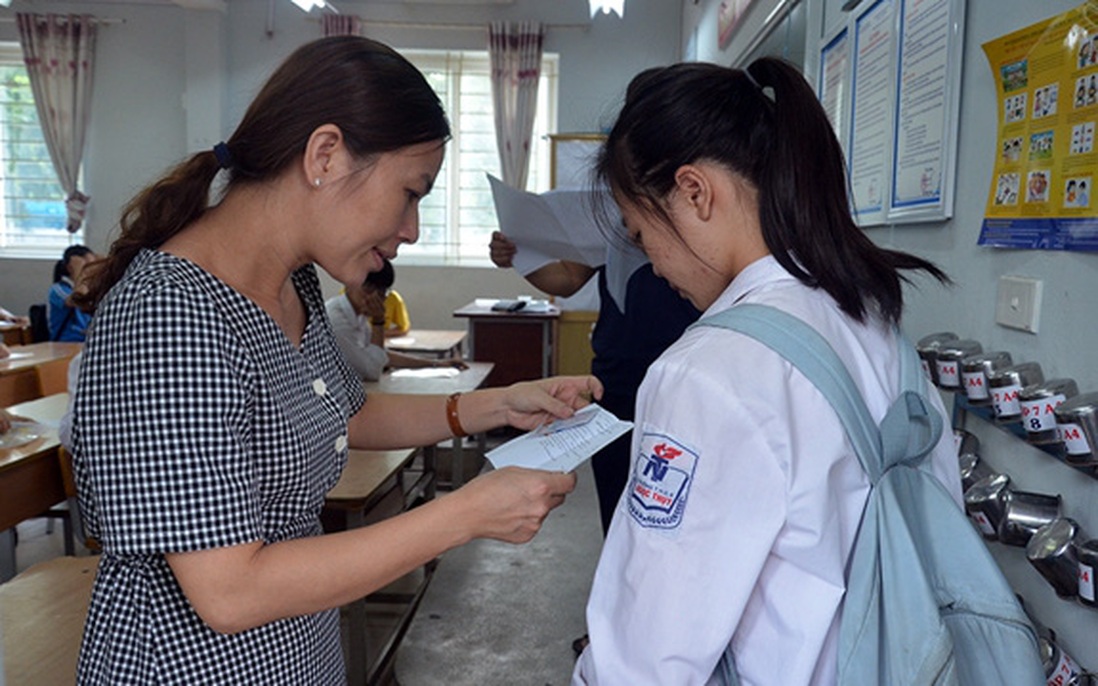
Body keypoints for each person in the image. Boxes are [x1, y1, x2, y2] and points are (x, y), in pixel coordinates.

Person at [67, 36, 601, 685]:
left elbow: (340, 414)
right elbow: (229, 592)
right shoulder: (170, 317)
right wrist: (463, 513)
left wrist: (493, 406)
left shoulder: (292, 287)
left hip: (295, 656)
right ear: (324, 155)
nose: (412, 229)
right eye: (410, 192)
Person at [572, 58, 960, 684]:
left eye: (642, 234)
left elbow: (648, 652)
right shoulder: (873, 323)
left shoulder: (706, 371)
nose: (655, 265)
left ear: (695, 192)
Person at [326, 259, 467, 381]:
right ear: (350, 285)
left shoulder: (358, 316)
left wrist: (436, 364)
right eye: (368, 289)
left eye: (381, 293)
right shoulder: (337, 321)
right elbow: (372, 371)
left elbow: (382, 356)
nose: (373, 299)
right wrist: (378, 322)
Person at [47, 244, 97, 342]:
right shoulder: (58, 289)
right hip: (66, 343)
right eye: (87, 266)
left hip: (86, 342)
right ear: (70, 268)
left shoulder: (90, 288)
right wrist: (79, 272)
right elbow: (79, 299)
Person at [363, 256, 411, 337]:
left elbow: (403, 328)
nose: (376, 297)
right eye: (369, 290)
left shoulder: (393, 298)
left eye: (382, 292)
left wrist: (377, 327)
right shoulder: (348, 298)